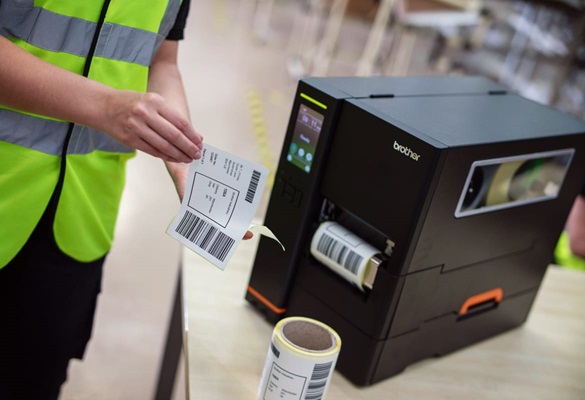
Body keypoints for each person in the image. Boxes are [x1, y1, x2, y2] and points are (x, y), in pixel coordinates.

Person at [0, 1, 249, 398]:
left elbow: (163, 61)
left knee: (32, 380)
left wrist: (181, 152)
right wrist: (104, 106)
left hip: (81, 213)